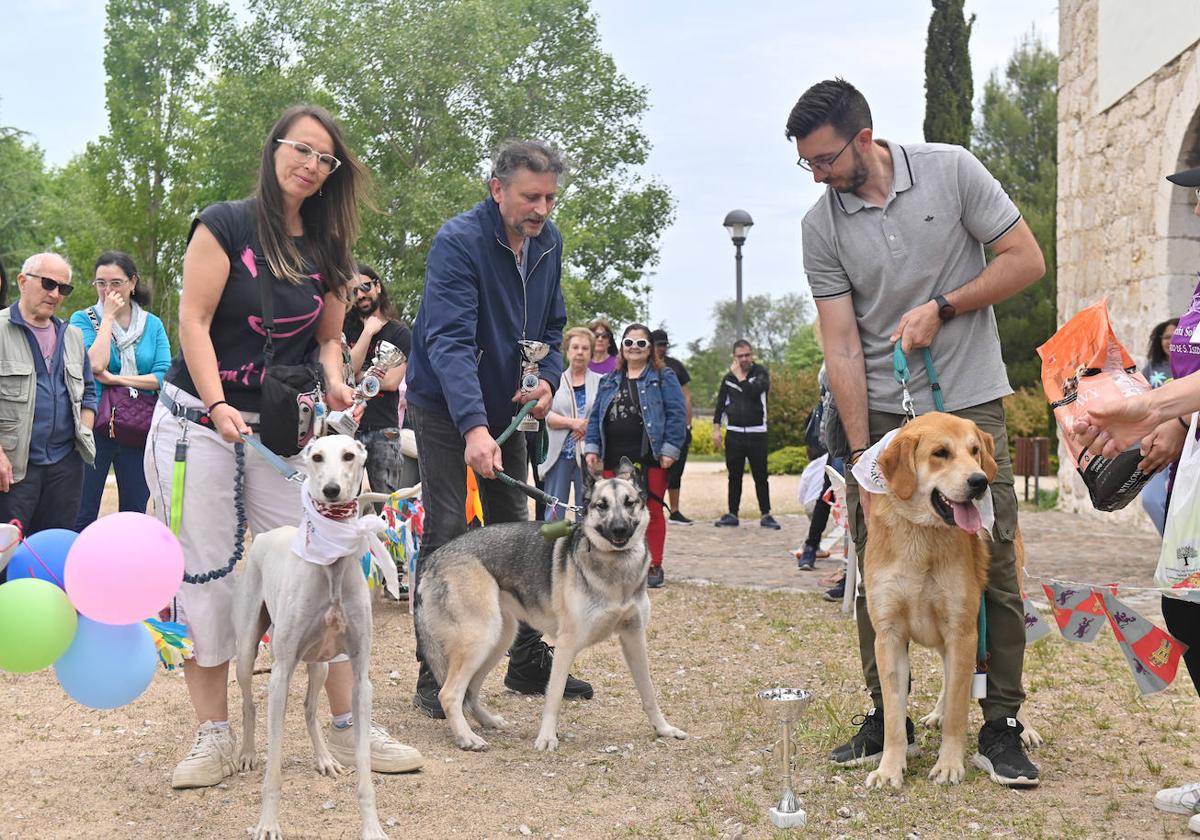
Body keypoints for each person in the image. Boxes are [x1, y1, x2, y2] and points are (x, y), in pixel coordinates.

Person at [143, 105, 421, 790]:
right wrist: (214, 403)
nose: (312, 165)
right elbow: (194, 320)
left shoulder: (327, 250)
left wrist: (333, 383)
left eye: (326, 159)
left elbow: (329, 338)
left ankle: (353, 720)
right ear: (275, 149)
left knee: (322, 562)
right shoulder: (225, 224)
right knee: (205, 573)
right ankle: (215, 733)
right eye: (303, 149)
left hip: (279, 434)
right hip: (197, 425)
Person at [787, 78, 1046, 784]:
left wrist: (945, 306)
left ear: (863, 138)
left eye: (825, 158)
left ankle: (1002, 725)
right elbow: (840, 342)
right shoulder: (822, 226)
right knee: (878, 571)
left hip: (968, 404)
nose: (817, 175)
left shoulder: (952, 169)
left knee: (989, 562)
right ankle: (885, 717)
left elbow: (1026, 261)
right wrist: (857, 445)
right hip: (884, 419)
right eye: (805, 163)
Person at [406, 139, 595, 716]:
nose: (542, 209)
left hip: (510, 407)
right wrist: (472, 427)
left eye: (550, 198)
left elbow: (553, 322)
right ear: (497, 188)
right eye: (530, 196)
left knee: (521, 531)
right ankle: (434, 674)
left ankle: (527, 661)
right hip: (446, 406)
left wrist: (547, 380)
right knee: (446, 529)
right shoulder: (458, 242)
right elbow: (449, 340)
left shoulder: (549, 242)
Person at [1072, 164, 1200, 836]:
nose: (1199, 207)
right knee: (1188, 614)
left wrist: (1146, 407)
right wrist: (1166, 430)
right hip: (1195, 485)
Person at [0, 253, 97, 562]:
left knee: (54, 555)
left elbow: (90, 391)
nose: (55, 294)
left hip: (65, 468)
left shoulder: (73, 336)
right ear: (22, 281)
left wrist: (83, 429)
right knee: (8, 554)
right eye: (48, 284)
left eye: (63, 288)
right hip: (14, 469)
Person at [70, 251, 171, 530]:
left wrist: (116, 380)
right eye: (101, 283)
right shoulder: (82, 319)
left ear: (132, 283)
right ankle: (74, 571)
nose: (108, 290)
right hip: (95, 426)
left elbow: (163, 375)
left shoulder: (153, 325)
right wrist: (108, 319)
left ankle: (129, 571)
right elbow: (93, 364)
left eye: (115, 283)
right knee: (82, 511)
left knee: (135, 513)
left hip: (139, 427)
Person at [584, 323, 686, 588]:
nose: (634, 348)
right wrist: (592, 448)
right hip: (614, 456)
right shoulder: (609, 380)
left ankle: (653, 564)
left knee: (649, 511)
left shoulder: (664, 377)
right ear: (622, 346)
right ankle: (616, 564)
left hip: (649, 456)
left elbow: (677, 415)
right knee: (613, 511)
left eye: (641, 344)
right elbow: (596, 416)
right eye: (629, 343)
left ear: (650, 348)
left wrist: (670, 450)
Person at [343, 262, 412, 500]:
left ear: (378, 287)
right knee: (344, 504)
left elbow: (392, 381)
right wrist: (367, 333)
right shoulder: (345, 330)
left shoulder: (400, 333)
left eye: (365, 286)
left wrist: (360, 375)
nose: (361, 294)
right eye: (354, 291)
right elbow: (347, 372)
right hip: (346, 429)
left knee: (388, 505)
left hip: (385, 430)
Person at [712, 340, 779, 530]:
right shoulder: (728, 378)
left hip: (757, 433)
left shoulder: (761, 374)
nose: (744, 359)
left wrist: (740, 377)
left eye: (747, 355)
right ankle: (732, 513)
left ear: (752, 354)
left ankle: (766, 514)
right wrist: (716, 429)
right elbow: (720, 405)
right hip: (734, 433)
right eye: (740, 356)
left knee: (760, 475)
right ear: (735, 357)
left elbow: (754, 392)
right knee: (734, 476)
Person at [539, 326, 601, 521]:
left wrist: (588, 426)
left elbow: (604, 415)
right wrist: (574, 423)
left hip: (588, 456)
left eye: (585, 348)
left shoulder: (602, 382)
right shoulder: (554, 381)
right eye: (575, 347)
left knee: (589, 509)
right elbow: (546, 415)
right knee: (554, 511)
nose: (580, 352)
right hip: (559, 455)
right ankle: (551, 550)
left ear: (591, 352)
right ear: (567, 350)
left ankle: (587, 549)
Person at [650, 328, 696, 524]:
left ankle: (675, 510)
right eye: (658, 345)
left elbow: (686, 397)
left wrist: (688, 424)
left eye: (664, 345)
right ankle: (654, 507)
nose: (661, 349)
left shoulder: (676, 367)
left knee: (676, 471)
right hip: (654, 427)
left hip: (675, 426)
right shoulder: (646, 367)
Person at [1138, 317, 1179, 534]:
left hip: (1186, 442)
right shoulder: (1151, 369)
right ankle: (1170, 544)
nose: (1171, 341)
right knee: (1151, 499)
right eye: (1166, 337)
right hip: (1156, 443)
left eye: (1176, 336)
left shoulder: (1190, 368)